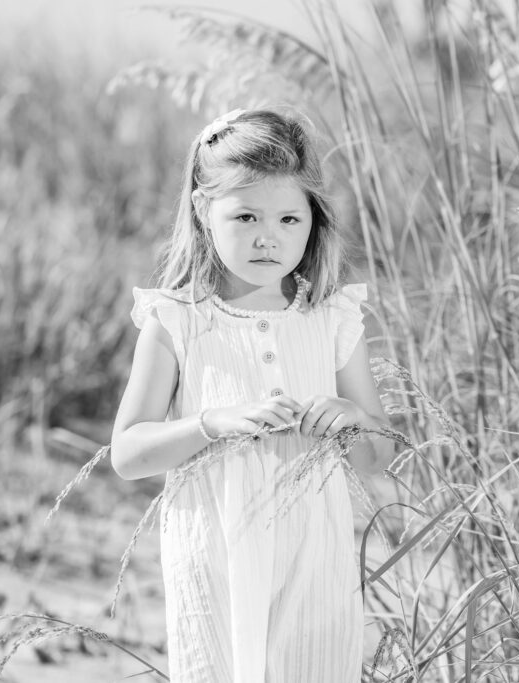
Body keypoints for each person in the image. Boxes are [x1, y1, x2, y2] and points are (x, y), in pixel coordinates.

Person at [110, 108, 390, 682]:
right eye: (245, 216)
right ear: (201, 210)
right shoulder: (178, 320)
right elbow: (128, 453)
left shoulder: (331, 319)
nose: (270, 237)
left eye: (290, 218)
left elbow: (379, 456)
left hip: (314, 556)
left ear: (313, 218)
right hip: (214, 553)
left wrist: (349, 419)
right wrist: (213, 422)